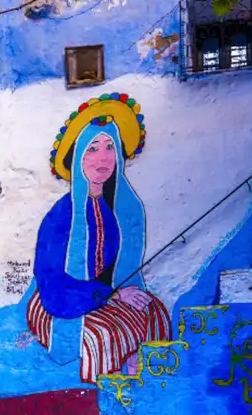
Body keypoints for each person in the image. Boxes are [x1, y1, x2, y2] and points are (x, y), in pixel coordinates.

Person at [27, 94, 170, 382]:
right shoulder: (61, 215)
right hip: (60, 297)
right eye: (92, 149)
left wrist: (122, 292)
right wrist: (112, 295)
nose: (103, 158)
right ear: (78, 157)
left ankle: (145, 388)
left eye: (109, 147)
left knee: (156, 313)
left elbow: (125, 271)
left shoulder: (120, 208)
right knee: (100, 334)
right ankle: (104, 408)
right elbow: (51, 278)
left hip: (107, 295)